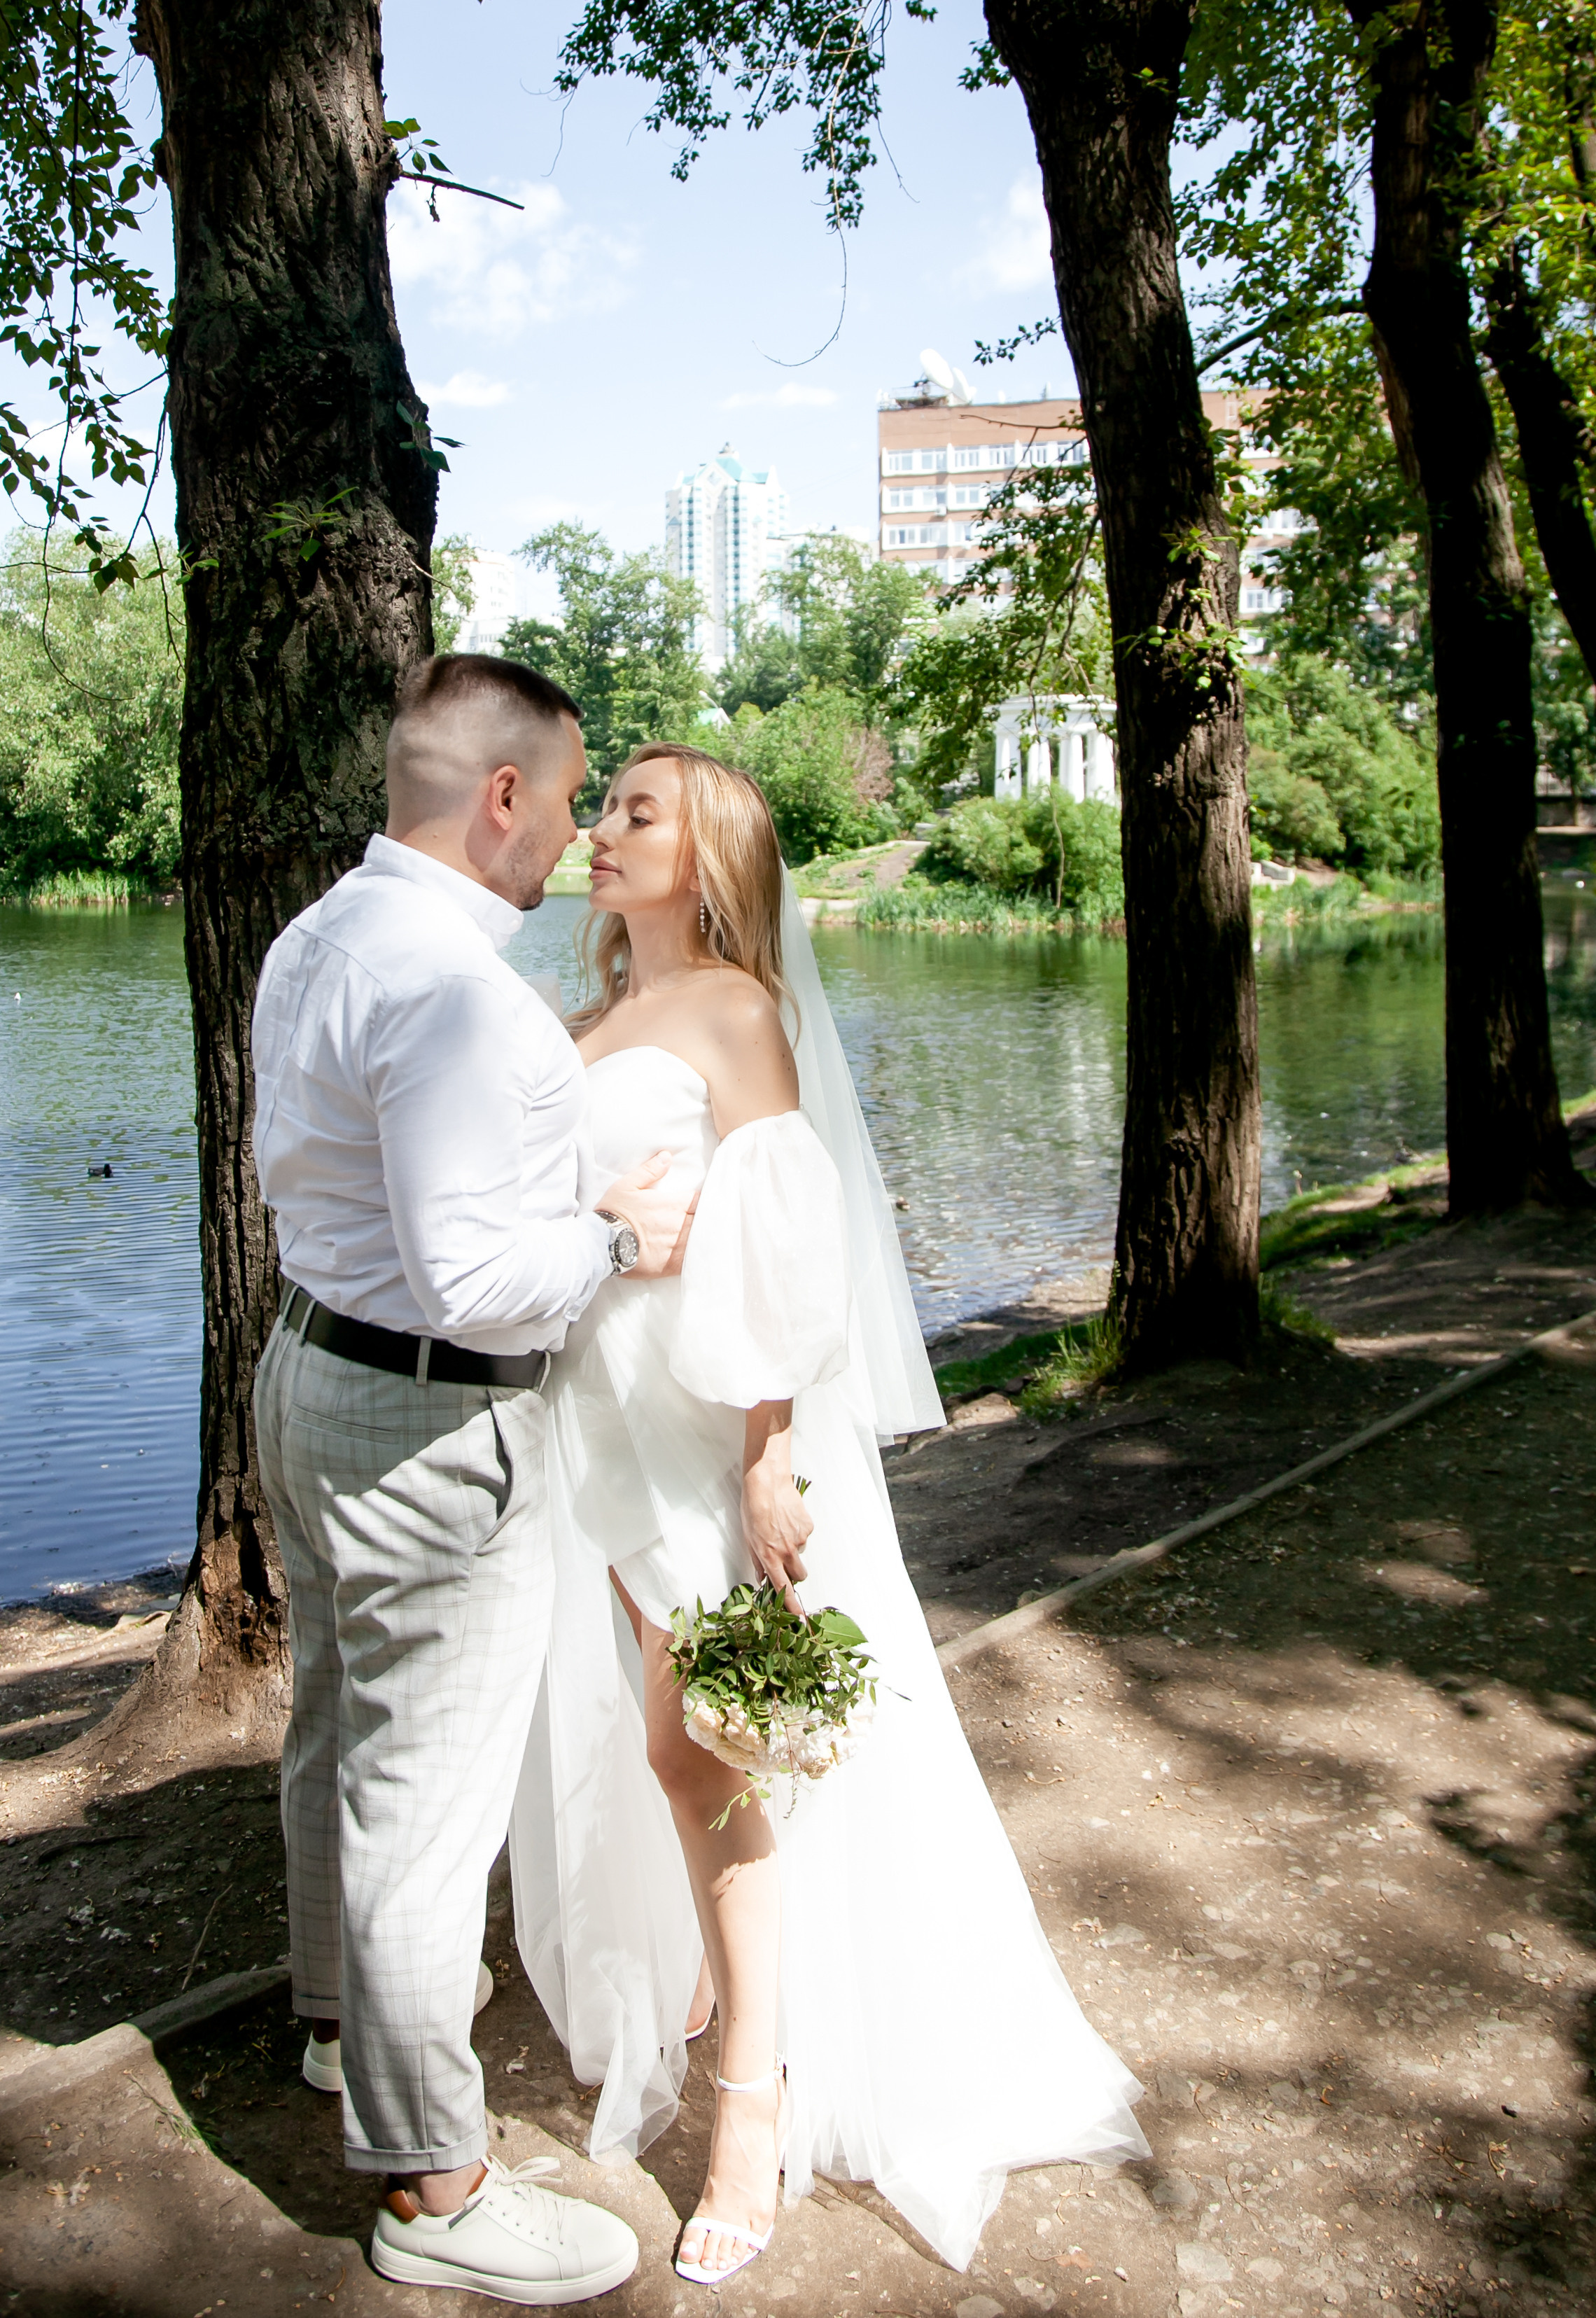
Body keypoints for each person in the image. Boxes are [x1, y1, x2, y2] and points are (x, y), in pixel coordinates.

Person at [508, 743, 1149, 2287]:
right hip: (587, 1422)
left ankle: (751, 2109)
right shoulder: (585, 1018)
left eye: (634, 815)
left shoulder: (736, 1013)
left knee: (705, 1753)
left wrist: (767, 1456)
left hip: (698, 1431)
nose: (599, 832)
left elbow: (790, 1243)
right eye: (606, 810)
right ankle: (726, 2004)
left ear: (710, 858)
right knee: (659, 1745)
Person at [251, 655, 694, 2305]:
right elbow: (467, 1276)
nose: (574, 826)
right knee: (419, 1812)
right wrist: (615, 1234)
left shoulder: (317, 936)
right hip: (428, 1426)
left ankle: (326, 2025)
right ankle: (435, 2186)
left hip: (307, 1377)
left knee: (331, 1729)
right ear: (499, 795)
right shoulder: (458, 992)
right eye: (571, 794)